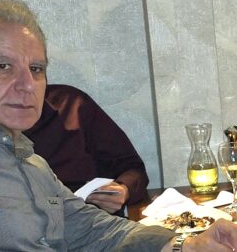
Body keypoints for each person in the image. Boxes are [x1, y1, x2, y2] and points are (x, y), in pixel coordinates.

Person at [0, 0, 237, 251]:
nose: (26, 85)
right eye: (3, 66)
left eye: (36, 69)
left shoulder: (30, 161)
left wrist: (186, 246)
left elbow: (93, 229)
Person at [25, 84, 150, 214]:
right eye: (12, 73)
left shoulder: (71, 103)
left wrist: (123, 190)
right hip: (30, 220)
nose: (27, 82)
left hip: (91, 217)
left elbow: (131, 167)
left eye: (36, 72)